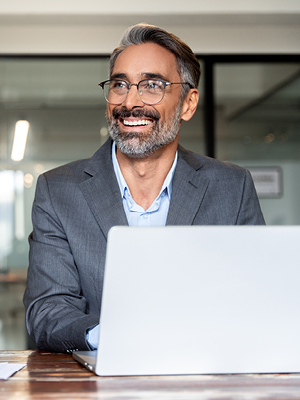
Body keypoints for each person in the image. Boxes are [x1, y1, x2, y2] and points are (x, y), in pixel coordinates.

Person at [23, 23, 265, 353]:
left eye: (152, 85)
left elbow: (256, 300)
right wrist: (117, 339)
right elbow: (47, 312)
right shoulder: (58, 191)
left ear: (188, 104)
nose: (130, 101)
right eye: (120, 84)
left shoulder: (231, 187)